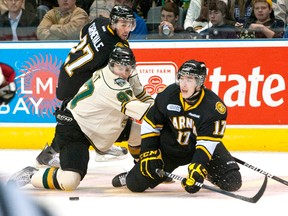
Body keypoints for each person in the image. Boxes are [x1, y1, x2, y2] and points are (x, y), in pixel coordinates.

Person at [7, 46, 154, 191]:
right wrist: (166, 108)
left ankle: (142, 169)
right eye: (120, 68)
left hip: (101, 121)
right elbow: (144, 112)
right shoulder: (113, 86)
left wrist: (157, 105)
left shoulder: (121, 74)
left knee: (141, 134)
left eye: (128, 69)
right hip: (77, 128)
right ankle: (32, 174)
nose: (124, 73)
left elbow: (141, 95)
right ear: (111, 65)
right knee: (69, 181)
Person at [112, 59, 242, 194]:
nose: (184, 84)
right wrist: (148, 153)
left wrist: (197, 169)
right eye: (182, 78)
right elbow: (150, 124)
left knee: (232, 181)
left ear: (200, 83)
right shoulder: (169, 95)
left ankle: (209, 172)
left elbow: (206, 142)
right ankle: (130, 174)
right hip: (171, 150)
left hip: (198, 147)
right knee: (134, 184)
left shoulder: (213, 107)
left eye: (190, 79)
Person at [35, 5, 140, 166]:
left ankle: (102, 146)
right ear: (113, 22)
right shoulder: (116, 47)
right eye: (123, 24)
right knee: (76, 119)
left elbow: (84, 32)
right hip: (78, 82)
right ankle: (48, 154)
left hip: (67, 72)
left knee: (100, 111)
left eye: (130, 25)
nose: (127, 29)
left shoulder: (99, 21)